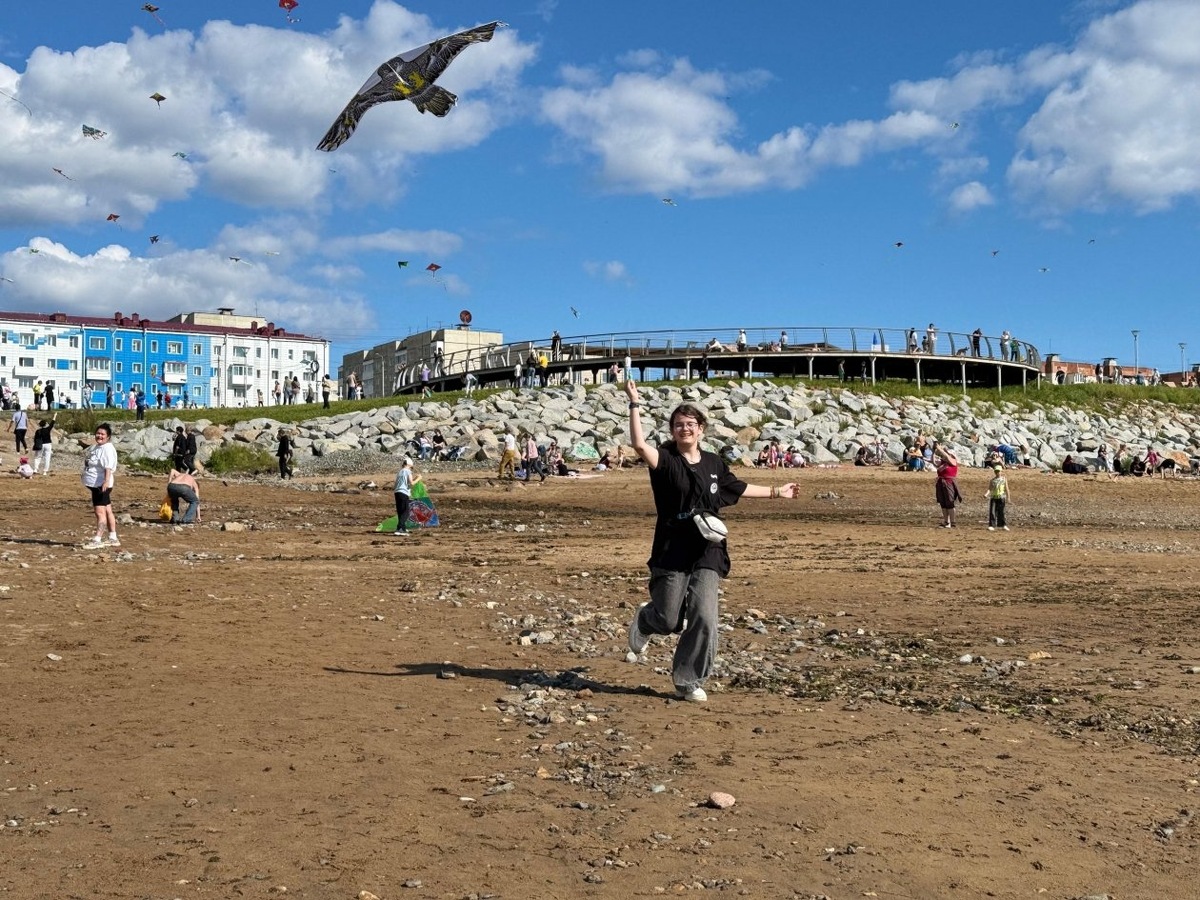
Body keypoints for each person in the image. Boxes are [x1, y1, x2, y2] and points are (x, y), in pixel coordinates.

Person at [623, 378, 799, 703]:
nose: (684, 429)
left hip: (708, 548)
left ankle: (688, 680)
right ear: (673, 430)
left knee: (704, 614)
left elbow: (738, 487)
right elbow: (638, 444)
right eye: (679, 425)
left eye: (690, 424)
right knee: (669, 618)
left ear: (702, 429)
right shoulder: (664, 460)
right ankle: (646, 621)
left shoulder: (715, 464)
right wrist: (634, 402)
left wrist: (777, 491)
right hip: (671, 548)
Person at [81, 423, 120, 549]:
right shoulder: (98, 447)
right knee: (108, 510)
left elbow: (108, 467)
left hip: (101, 485)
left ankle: (97, 539)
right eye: (98, 433)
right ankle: (113, 538)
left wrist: (106, 481)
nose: (99, 436)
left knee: (100, 512)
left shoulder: (107, 448)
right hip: (96, 484)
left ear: (108, 436)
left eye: (102, 434)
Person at [934, 445, 962, 528]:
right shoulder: (943, 463)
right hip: (941, 482)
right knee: (943, 502)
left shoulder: (953, 462)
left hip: (949, 482)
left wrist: (940, 449)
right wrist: (936, 450)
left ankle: (952, 522)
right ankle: (946, 521)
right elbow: (935, 462)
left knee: (950, 501)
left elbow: (946, 455)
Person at [392, 456, 421, 536]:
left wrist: (415, 478)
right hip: (403, 492)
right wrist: (419, 478)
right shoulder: (408, 471)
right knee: (406, 512)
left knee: (401, 511)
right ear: (409, 464)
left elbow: (406, 482)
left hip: (397, 492)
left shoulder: (400, 471)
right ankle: (399, 529)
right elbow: (411, 483)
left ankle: (403, 527)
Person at [985, 464, 1009, 531]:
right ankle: (992, 525)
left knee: (1001, 512)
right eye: (996, 471)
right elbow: (990, 489)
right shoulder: (992, 480)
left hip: (1001, 497)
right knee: (992, 511)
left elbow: (1007, 489)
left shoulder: (1004, 479)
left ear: (1001, 471)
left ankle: (1003, 525)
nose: (997, 473)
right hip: (994, 498)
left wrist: (1008, 497)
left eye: (998, 471)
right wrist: (986, 494)